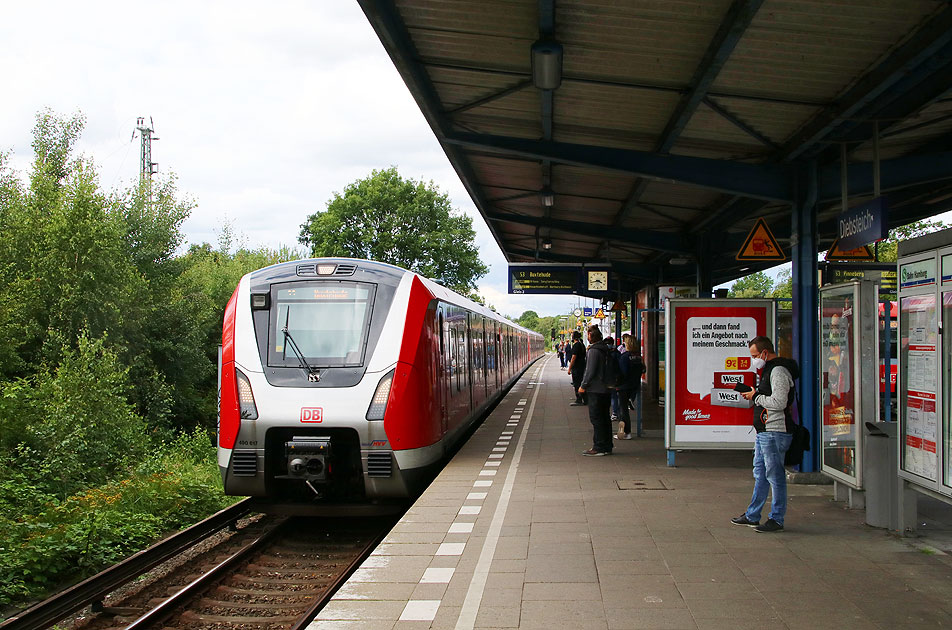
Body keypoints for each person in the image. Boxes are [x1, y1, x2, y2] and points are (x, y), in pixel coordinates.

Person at [731, 336, 799, 533]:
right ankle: (753, 514)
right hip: (764, 431)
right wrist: (756, 393)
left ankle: (777, 519)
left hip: (774, 430)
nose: (754, 360)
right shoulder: (769, 370)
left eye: (754, 356)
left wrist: (756, 396)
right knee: (760, 473)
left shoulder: (778, 371)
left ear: (765, 353)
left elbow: (779, 402)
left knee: (774, 475)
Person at [578, 325, 613, 456]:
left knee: (597, 419)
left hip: (596, 390)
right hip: (605, 389)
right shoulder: (605, 349)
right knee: (605, 418)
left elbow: (590, 371)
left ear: (592, 336)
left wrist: (583, 385)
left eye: (588, 334)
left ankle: (598, 447)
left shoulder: (593, 351)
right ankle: (607, 446)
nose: (587, 337)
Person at [615, 336, 644, 440]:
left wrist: (617, 384)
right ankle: (630, 400)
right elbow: (642, 369)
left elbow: (623, 372)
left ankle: (627, 432)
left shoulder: (624, 357)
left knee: (622, 409)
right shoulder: (638, 357)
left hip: (623, 386)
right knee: (624, 407)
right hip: (634, 385)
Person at [568, 330, 587, 405]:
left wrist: (569, 368)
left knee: (577, 383)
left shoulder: (576, 345)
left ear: (573, 337)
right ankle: (585, 399)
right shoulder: (582, 344)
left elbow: (573, 358)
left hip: (577, 368)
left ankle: (579, 399)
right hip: (582, 366)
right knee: (581, 382)